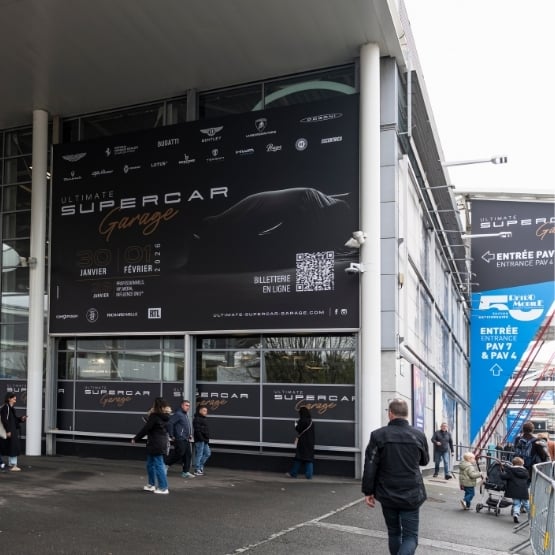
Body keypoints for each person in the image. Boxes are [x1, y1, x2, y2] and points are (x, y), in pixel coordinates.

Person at [362, 398, 429, 555]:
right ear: (406, 414)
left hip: (387, 492)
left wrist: (368, 492)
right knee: (411, 537)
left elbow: (370, 465)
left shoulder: (378, 435)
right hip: (412, 493)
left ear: (390, 414)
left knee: (394, 533)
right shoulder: (418, 435)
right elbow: (425, 461)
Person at [132, 397, 172, 494]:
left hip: (155, 443)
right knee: (150, 464)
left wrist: (136, 438)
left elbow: (146, 429)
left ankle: (163, 487)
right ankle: (151, 484)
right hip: (159, 442)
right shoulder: (165, 417)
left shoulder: (154, 416)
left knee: (158, 465)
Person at [166, 399, 195, 478]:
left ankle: (185, 472)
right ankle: (166, 464)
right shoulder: (178, 414)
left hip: (186, 438)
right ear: (182, 405)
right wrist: (171, 435)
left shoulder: (184, 415)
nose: (188, 407)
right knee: (180, 453)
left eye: (189, 406)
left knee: (188, 455)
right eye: (186, 405)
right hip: (179, 438)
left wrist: (189, 434)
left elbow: (184, 427)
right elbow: (170, 423)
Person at [0, 393, 28, 471]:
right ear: (9, 398)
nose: (15, 399)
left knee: (11, 447)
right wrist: (8, 431)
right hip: (9, 431)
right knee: (13, 447)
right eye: (14, 398)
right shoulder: (6, 408)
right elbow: (4, 420)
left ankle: (11, 464)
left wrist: (21, 419)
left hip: (11, 430)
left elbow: (14, 420)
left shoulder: (11, 408)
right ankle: (13, 465)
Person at [287, 406, 315, 479]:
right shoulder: (311, 421)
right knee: (309, 459)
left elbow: (299, 429)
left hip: (303, 442)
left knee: (298, 458)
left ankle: (293, 473)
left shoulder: (302, 421)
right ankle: (309, 475)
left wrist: (295, 425)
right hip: (310, 442)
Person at [500, 457, 530, 524]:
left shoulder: (510, 470)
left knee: (517, 504)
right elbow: (528, 478)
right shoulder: (525, 471)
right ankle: (531, 515)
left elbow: (503, 477)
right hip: (523, 491)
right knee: (526, 504)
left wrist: (501, 471)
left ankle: (516, 515)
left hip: (514, 490)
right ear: (522, 464)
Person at [193, 405, 211, 476]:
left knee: (207, 453)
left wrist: (206, 439)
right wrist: (201, 439)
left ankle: (199, 467)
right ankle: (197, 469)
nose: (206, 412)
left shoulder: (203, 419)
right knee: (199, 454)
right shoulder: (197, 419)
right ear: (200, 411)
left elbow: (205, 430)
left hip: (204, 440)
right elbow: (197, 430)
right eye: (204, 410)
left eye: (206, 411)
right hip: (200, 440)